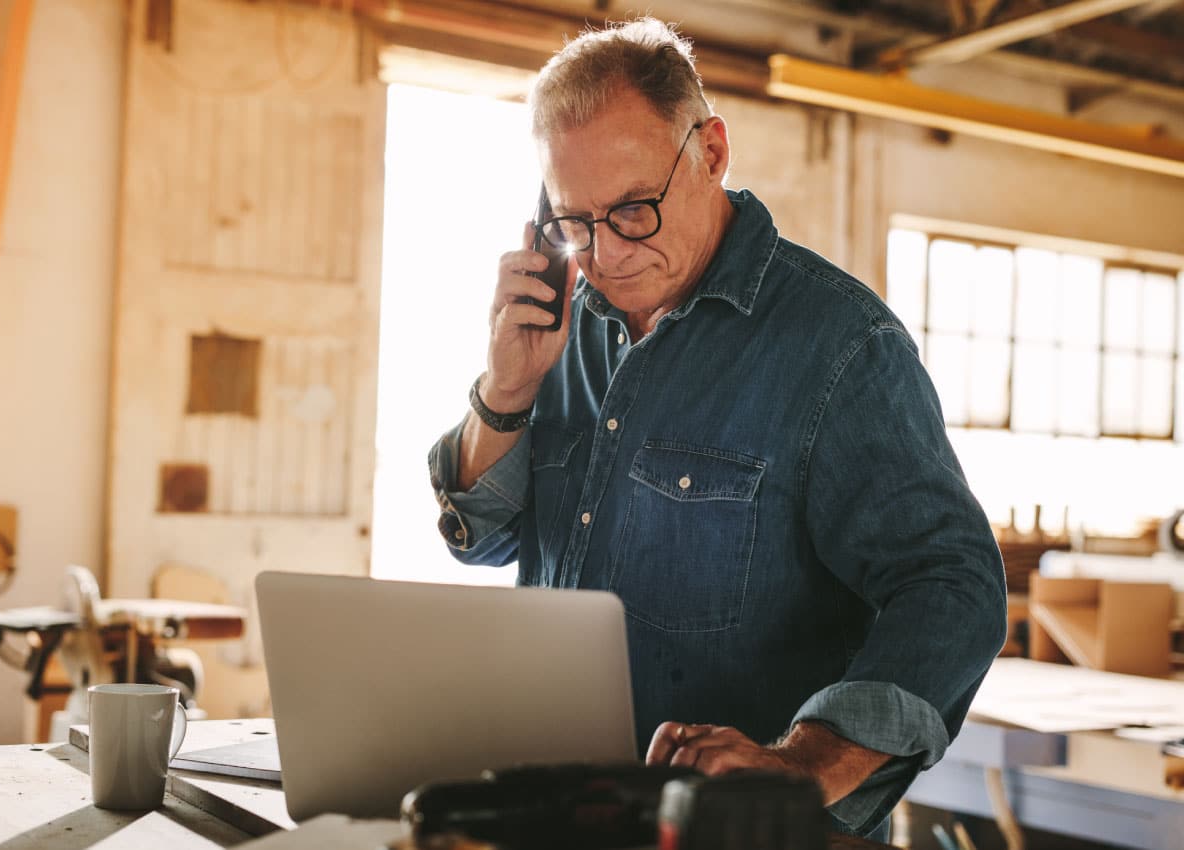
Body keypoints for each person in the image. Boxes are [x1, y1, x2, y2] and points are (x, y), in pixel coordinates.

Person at [427, 17, 1006, 840]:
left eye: (632, 210)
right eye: (573, 222)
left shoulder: (840, 347)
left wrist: (805, 766)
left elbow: (953, 589)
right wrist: (507, 388)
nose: (605, 255)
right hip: (566, 814)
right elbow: (476, 539)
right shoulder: (562, 325)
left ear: (711, 152)